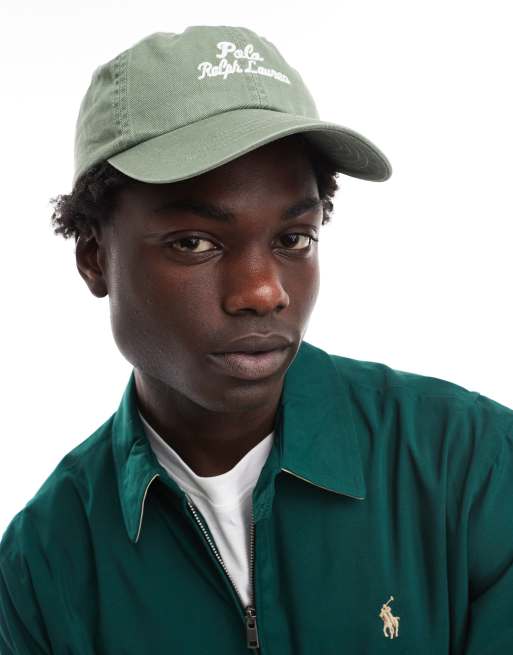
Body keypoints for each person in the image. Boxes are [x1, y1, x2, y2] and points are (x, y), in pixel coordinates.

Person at [1, 25, 512, 655]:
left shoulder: (474, 468)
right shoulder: (41, 569)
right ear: (93, 258)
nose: (263, 291)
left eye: (294, 238)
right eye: (194, 242)